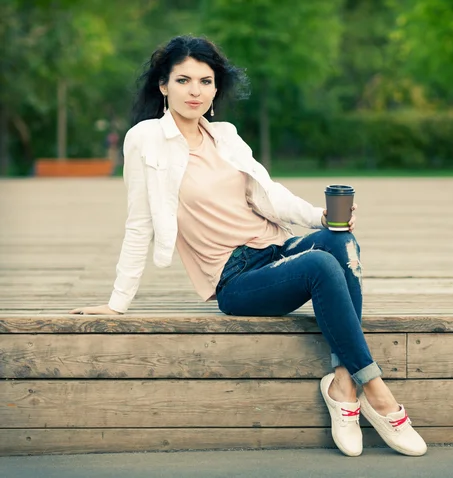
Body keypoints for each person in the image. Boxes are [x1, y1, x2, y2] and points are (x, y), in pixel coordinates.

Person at [69, 35, 426, 458]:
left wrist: (323, 217)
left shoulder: (226, 136)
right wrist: (118, 302)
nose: (195, 90)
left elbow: (268, 195)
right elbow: (138, 222)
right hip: (236, 278)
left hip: (275, 250)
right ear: (163, 86)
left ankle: (344, 387)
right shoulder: (145, 139)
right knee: (321, 266)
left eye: (205, 80)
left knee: (339, 241)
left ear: (216, 89)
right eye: (183, 80)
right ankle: (378, 393)